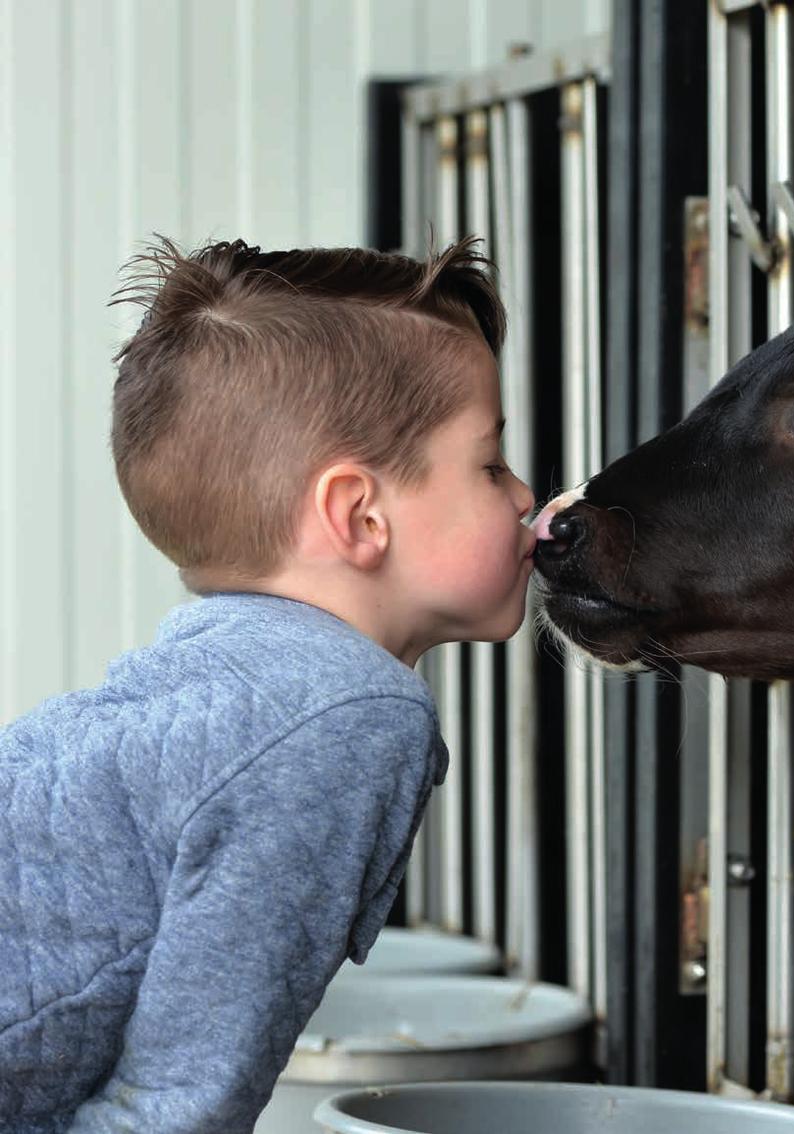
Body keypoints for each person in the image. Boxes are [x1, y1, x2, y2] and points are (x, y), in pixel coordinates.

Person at [0, 235, 536, 1133]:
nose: (525, 496)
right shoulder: (345, 718)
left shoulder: (225, 678)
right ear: (358, 514)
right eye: (489, 464)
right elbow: (178, 1106)